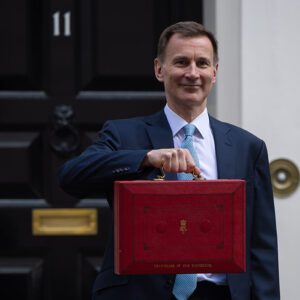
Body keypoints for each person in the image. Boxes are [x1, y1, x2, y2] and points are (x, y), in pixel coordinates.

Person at [58, 21, 280, 300]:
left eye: (202, 63)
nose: (192, 73)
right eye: (181, 62)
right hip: (141, 293)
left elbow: (262, 246)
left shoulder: (248, 147)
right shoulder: (124, 134)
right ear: (159, 69)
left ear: (215, 72)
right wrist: (146, 158)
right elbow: (70, 177)